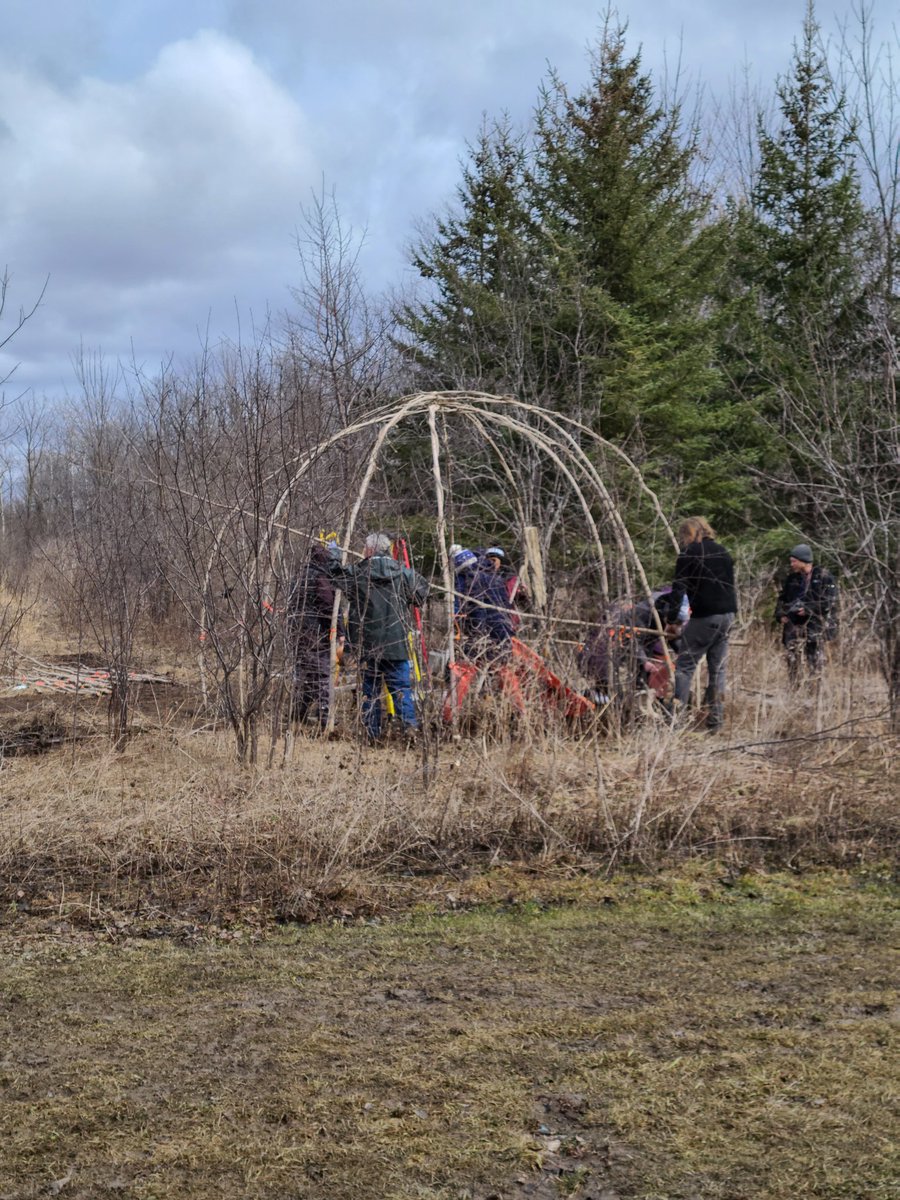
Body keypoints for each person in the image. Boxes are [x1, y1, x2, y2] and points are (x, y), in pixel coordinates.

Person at [328, 532, 429, 742]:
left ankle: (372, 736)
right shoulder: (404, 574)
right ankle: (410, 728)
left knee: (370, 692)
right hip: (396, 645)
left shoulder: (358, 573)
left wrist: (334, 555)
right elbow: (421, 594)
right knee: (401, 690)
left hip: (367, 645)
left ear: (370, 550)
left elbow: (335, 576)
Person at [666, 517, 737, 732]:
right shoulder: (723, 552)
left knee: (685, 665)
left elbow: (678, 588)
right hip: (728, 615)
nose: (683, 541)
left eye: (683, 536)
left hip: (706, 615)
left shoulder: (689, 554)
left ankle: (676, 722)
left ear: (690, 533)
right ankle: (716, 722)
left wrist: (671, 620)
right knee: (717, 670)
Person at [286, 542, 343, 730]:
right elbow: (328, 606)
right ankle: (325, 719)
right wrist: (338, 630)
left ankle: (299, 714)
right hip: (315, 635)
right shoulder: (319, 578)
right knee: (322, 676)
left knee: (308, 676)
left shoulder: (300, 576)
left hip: (299, 634)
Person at [774, 543, 838, 684]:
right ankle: (794, 686)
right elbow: (782, 599)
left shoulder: (824, 576)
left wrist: (809, 609)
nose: (791, 564)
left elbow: (830, 602)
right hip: (794, 623)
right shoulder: (792, 579)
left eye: (794, 561)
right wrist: (780, 614)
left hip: (816, 624)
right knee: (791, 655)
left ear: (803, 560)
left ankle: (815, 689)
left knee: (814, 658)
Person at [483, 546, 528, 629]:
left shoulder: (510, 578)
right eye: (488, 560)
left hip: (509, 617)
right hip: (488, 617)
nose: (491, 563)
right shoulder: (482, 577)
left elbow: (519, 599)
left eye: (494, 560)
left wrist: (521, 594)